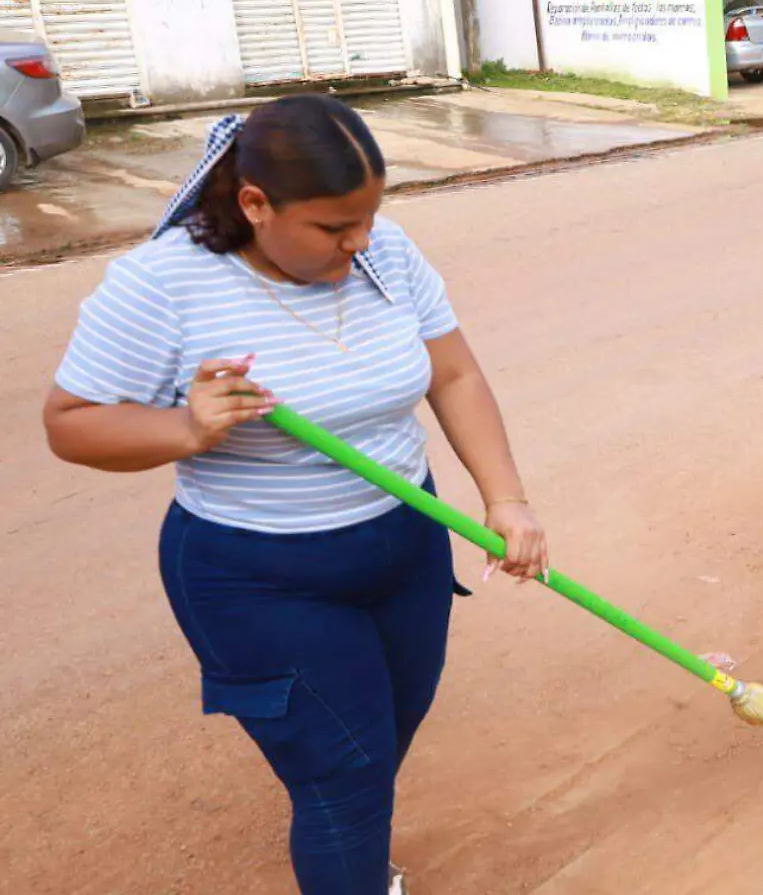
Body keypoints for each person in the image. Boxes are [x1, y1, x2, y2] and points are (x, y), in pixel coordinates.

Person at [43, 95, 549, 895]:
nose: (361, 243)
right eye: (333, 228)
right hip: (258, 577)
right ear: (255, 204)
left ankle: (349, 852)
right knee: (343, 775)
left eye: (369, 217)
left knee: (379, 744)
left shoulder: (384, 252)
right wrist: (185, 428)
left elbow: (455, 373)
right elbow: (70, 426)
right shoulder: (163, 283)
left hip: (407, 546)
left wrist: (507, 499)